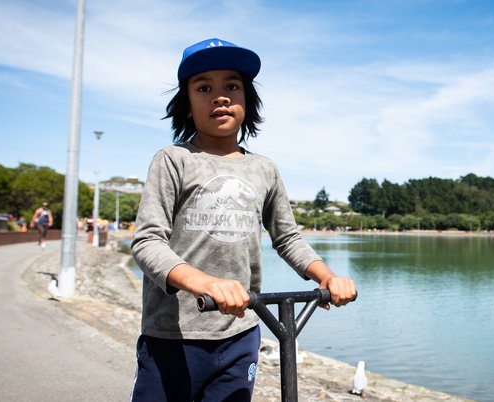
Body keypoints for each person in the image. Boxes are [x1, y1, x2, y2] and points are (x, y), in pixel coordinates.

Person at [129, 38, 358, 401]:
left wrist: (326, 276)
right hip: (174, 336)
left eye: (231, 87)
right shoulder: (173, 160)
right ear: (187, 104)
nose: (219, 96)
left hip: (242, 331)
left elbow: (287, 238)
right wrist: (204, 283)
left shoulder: (264, 169)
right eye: (204, 87)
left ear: (246, 101)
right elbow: (147, 242)